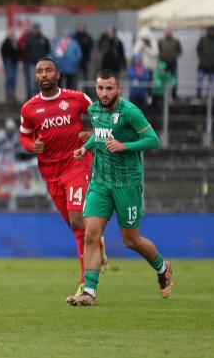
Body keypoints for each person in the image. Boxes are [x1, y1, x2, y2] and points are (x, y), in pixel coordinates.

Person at [68, 70, 172, 306]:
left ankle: (163, 268)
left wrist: (125, 145)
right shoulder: (94, 110)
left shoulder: (130, 112)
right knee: (91, 235)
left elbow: (153, 140)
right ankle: (89, 293)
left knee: (131, 240)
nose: (104, 93)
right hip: (100, 182)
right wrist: (86, 148)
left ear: (119, 89)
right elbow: (101, 134)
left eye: (109, 89)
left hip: (127, 183)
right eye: (100, 88)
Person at [19, 58, 107, 298]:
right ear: (35, 77)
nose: (44, 74)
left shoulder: (76, 98)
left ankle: (85, 284)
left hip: (77, 165)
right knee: (74, 224)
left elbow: (102, 114)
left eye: (48, 70)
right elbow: (24, 137)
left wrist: (93, 132)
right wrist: (31, 145)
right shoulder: (29, 108)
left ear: (58, 74)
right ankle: (96, 243)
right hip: (50, 173)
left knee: (78, 220)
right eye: (39, 71)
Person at [23, 24, 51, 96]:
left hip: (42, 65)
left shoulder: (44, 39)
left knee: (41, 80)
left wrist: (44, 58)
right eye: (35, 29)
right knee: (32, 81)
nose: (37, 30)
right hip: (32, 63)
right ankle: (32, 96)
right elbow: (26, 50)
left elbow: (48, 49)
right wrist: (31, 58)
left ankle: (40, 96)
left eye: (38, 29)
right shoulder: (30, 39)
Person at [157, 27, 182, 100]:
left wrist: (175, 56)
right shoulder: (161, 41)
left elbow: (180, 50)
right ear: (165, 32)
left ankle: (174, 95)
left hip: (173, 63)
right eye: (167, 31)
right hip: (163, 64)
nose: (168, 32)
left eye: (170, 31)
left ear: (172, 32)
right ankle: (162, 96)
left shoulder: (176, 41)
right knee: (162, 79)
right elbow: (158, 50)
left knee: (174, 79)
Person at [0, 28, 20, 102]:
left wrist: (17, 57)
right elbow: (2, 51)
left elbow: (18, 51)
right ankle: (8, 95)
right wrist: (6, 59)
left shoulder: (15, 42)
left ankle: (12, 94)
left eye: (13, 34)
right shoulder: (6, 42)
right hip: (9, 63)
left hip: (15, 62)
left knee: (14, 79)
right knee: (9, 78)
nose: (12, 36)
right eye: (11, 34)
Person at [196, 26, 214, 99]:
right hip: (202, 65)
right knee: (199, 80)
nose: (212, 32)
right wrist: (201, 60)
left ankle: (209, 96)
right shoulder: (203, 39)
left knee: (210, 82)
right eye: (210, 31)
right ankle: (198, 96)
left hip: (212, 66)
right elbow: (198, 50)